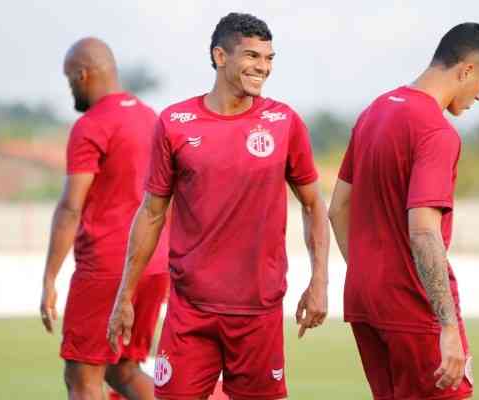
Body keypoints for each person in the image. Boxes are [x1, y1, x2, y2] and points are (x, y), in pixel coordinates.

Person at [107, 12, 329, 400]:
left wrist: (320, 282)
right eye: (252, 56)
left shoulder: (284, 122)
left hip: (258, 313)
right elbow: (152, 213)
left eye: (269, 58)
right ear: (220, 56)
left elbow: (313, 205)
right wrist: (124, 294)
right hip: (190, 312)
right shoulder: (175, 122)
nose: (263, 67)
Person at [328, 23, 479, 400]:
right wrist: (449, 325)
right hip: (413, 306)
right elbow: (423, 231)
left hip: (364, 302)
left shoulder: (375, 111)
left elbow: (337, 208)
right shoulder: (436, 132)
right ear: (467, 70)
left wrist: (367, 273)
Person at [39, 37, 170, 400]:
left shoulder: (91, 125)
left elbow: (70, 208)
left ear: (83, 75)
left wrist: (50, 279)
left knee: (82, 377)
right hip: (153, 266)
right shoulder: (152, 118)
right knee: (123, 370)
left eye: (70, 81)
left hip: (107, 269)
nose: (71, 91)